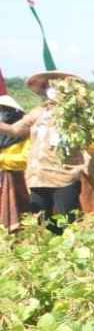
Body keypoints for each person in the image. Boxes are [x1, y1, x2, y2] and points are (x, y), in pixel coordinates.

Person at [0, 71, 94, 234]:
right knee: (41, 223)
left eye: (57, 86)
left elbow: (89, 142)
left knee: (67, 223)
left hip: (64, 177)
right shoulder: (38, 112)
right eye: (48, 87)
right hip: (38, 177)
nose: (52, 90)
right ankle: (46, 254)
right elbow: (15, 130)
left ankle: (70, 255)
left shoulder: (76, 115)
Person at [0, 95, 31, 232]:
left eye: (5, 110)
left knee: (19, 214)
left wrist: (1, 160)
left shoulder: (25, 136)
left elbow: (24, 160)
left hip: (14, 180)